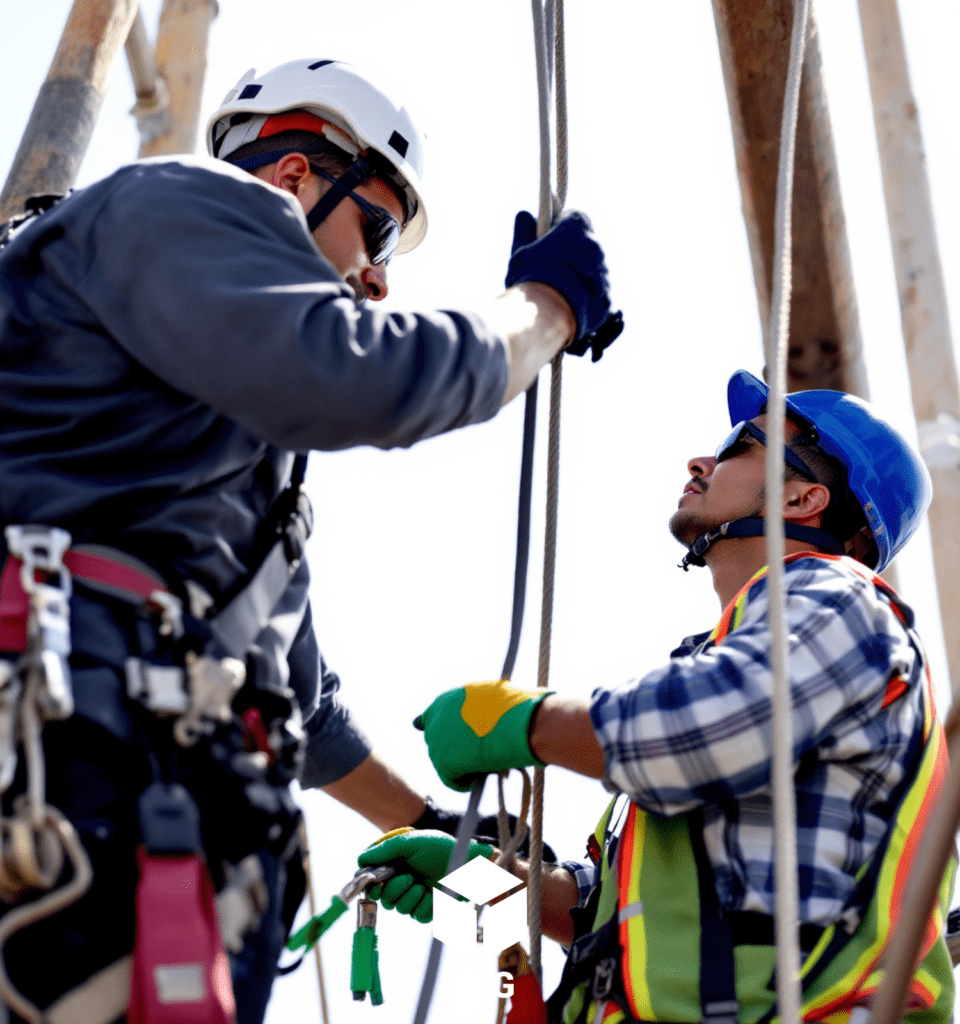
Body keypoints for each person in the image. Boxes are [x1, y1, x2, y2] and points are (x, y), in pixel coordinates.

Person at [0, 57, 620, 1023]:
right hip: (61, 766)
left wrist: (436, 827)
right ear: (293, 175)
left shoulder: (233, 472)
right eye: (374, 229)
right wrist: (545, 313)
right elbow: (370, 377)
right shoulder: (183, 200)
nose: (375, 278)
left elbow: (305, 711)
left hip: (160, 824)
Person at [358, 370, 955, 1024]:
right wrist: (479, 888)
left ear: (802, 499)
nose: (700, 461)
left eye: (737, 446)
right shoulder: (717, 661)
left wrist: (525, 721)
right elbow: (604, 916)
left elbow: (708, 729)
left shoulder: (844, 602)